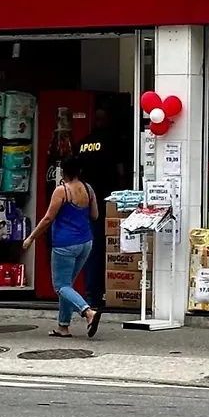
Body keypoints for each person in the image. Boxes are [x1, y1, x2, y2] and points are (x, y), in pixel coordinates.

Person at [23, 156, 104, 338]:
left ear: (62, 172)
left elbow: (48, 219)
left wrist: (31, 238)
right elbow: (95, 216)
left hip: (64, 244)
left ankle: (88, 312)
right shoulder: (88, 189)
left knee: (61, 286)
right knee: (68, 285)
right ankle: (63, 326)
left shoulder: (62, 191)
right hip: (86, 242)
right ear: (79, 171)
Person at [76, 108, 124, 309]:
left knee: (91, 248)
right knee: (111, 246)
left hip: (85, 201)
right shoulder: (113, 141)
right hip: (108, 201)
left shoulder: (83, 143)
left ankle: (90, 294)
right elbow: (121, 172)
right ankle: (102, 293)